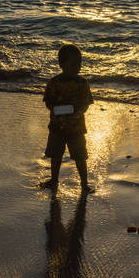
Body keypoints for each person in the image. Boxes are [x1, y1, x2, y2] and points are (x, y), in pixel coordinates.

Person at [41, 44, 94, 194]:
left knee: (80, 156)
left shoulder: (82, 83)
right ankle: (54, 180)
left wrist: (79, 111)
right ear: (62, 64)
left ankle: (84, 184)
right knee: (56, 155)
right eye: (74, 63)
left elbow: (86, 103)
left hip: (76, 128)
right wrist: (56, 109)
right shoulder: (53, 83)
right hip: (57, 127)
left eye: (80, 62)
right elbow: (48, 101)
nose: (78, 66)